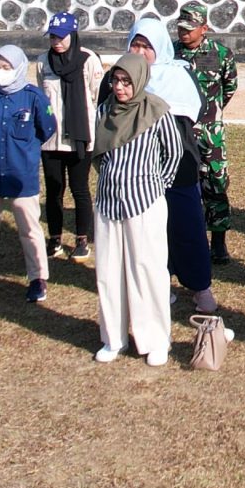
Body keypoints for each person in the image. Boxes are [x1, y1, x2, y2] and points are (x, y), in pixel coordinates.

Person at [132, 17, 234, 342]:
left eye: (146, 45)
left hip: (178, 164)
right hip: (138, 169)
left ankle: (200, 287)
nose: (139, 51)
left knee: (186, 225)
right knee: (147, 232)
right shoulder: (121, 76)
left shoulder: (177, 74)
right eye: (135, 44)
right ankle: (157, 286)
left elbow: (197, 108)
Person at [91, 51, 183, 366]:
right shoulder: (104, 110)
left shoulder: (157, 112)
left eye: (127, 81)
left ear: (140, 80)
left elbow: (173, 153)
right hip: (107, 202)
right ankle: (113, 338)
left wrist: (155, 185)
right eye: (116, 80)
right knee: (108, 271)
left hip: (144, 203)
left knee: (147, 271)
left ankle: (155, 339)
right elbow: (99, 154)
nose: (120, 87)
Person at [0, 43, 56, 304]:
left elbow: (47, 128)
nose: (1, 72)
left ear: (19, 67)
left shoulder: (32, 96)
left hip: (21, 175)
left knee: (29, 229)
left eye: (6, 67)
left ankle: (37, 278)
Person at [172, 1, 241, 265]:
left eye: (190, 28)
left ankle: (219, 243)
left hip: (210, 133)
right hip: (179, 131)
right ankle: (186, 239)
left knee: (216, 184)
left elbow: (229, 86)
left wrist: (211, 114)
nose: (184, 32)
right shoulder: (171, 53)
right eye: (181, 27)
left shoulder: (221, 53)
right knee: (181, 184)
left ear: (205, 28)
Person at [37, 12, 99, 263]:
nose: (57, 42)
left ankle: (82, 239)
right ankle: (55, 239)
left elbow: (96, 95)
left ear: (72, 36)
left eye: (61, 37)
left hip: (81, 137)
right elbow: (43, 97)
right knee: (54, 190)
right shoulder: (43, 62)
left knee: (80, 189)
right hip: (52, 140)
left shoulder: (88, 60)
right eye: (53, 37)